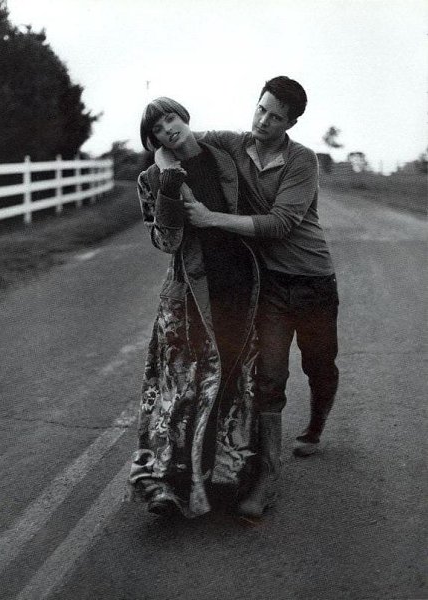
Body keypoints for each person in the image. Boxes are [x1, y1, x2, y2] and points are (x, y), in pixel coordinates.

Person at [156, 76, 340, 519]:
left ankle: (315, 428)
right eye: (261, 109)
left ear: (291, 122)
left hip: (314, 279)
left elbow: (280, 225)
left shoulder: (303, 160)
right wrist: (164, 161)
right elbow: (179, 137)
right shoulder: (235, 143)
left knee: (319, 364)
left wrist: (211, 218)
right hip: (271, 284)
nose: (263, 121)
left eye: (276, 117)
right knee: (270, 376)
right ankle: (266, 479)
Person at [127, 97, 261, 519]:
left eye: (171, 118)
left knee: (233, 380)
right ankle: (164, 480)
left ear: (184, 118)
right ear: (153, 141)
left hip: (239, 283)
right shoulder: (151, 177)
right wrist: (168, 184)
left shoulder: (226, 159)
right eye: (158, 128)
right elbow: (166, 242)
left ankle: (225, 471)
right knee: (178, 386)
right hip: (188, 292)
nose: (169, 129)